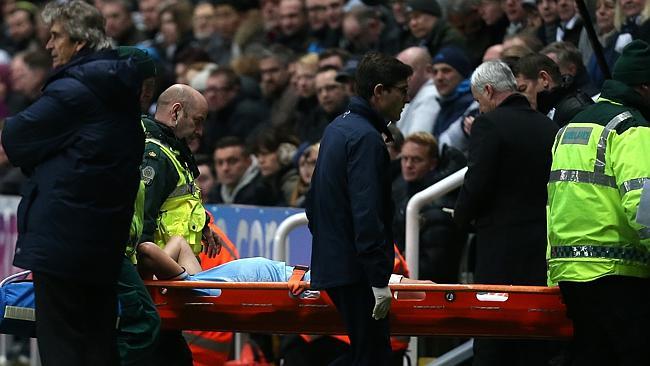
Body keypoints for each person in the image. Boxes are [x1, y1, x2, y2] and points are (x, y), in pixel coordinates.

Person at [0, 1, 146, 364]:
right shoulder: (119, 88)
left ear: (79, 42)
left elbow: (16, 137)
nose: (48, 45)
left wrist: (45, 153)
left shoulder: (74, 90)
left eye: (55, 36)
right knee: (97, 342)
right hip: (102, 238)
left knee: (62, 344)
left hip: (64, 238)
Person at [547, 39, 650, 366]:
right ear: (644, 87)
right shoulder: (632, 128)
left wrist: (553, 271)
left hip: (569, 272)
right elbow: (644, 202)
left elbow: (554, 202)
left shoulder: (569, 126)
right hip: (619, 272)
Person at [305, 52, 412, 366]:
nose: (408, 99)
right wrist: (378, 278)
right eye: (403, 91)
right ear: (379, 92)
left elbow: (313, 203)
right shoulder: (366, 138)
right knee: (373, 356)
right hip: (357, 271)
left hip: (337, 264)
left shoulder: (337, 128)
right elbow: (367, 213)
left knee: (367, 353)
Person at [453, 60, 559, 366]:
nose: (480, 109)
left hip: (500, 249)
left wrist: (459, 218)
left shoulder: (490, 124)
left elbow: (477, 181)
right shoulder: (547, 126)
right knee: (533, 337)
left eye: (478, 101)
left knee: (494, 333)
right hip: (541, 246)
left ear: (488, 90)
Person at [139, 83, 222, 366]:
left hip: (165, 277)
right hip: (155, 280)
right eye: (197, 121)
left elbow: (176, 202)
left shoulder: (173, 152)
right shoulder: (155, 155)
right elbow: (142, 221)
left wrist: (205, 224)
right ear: (176, 112)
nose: (200, 131)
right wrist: (142, 283)